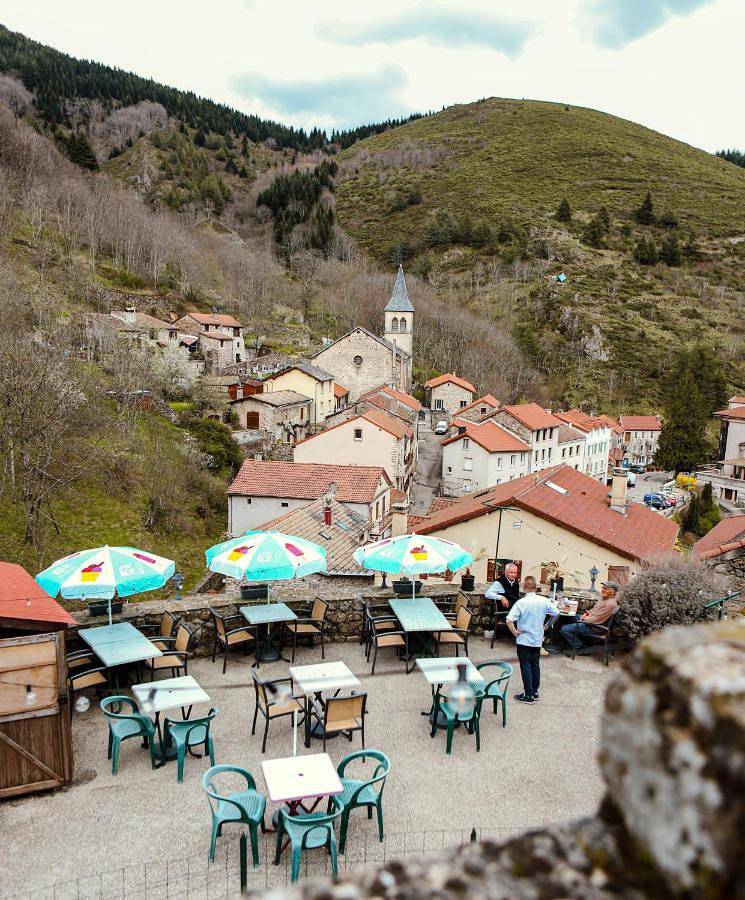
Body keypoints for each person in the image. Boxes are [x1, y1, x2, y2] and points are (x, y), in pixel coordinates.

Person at [506, 575, 559, 703]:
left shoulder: (521, 603)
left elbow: (509, 620)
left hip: (523, 638)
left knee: (525, 665)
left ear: (524, 587)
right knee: (535, 664)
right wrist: (546, 625)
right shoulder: (544, 601)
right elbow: (556, 613)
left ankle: (528, 694)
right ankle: (535, 691)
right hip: (537, 638)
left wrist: (515, 632)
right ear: (536, 588)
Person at [560, 581, 619, 652]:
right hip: (588, 621)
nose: (603, 590)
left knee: (564, 629)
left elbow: (596, 620)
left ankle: (581, 648)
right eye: (603, 588)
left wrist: (584, 618)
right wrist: (586, 613)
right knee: (567, 616)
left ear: (612, 592)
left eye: (605, 588)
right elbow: (593, 610)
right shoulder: (604, 598)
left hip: (594, 628)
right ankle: (567, 642)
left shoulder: (610, 604)